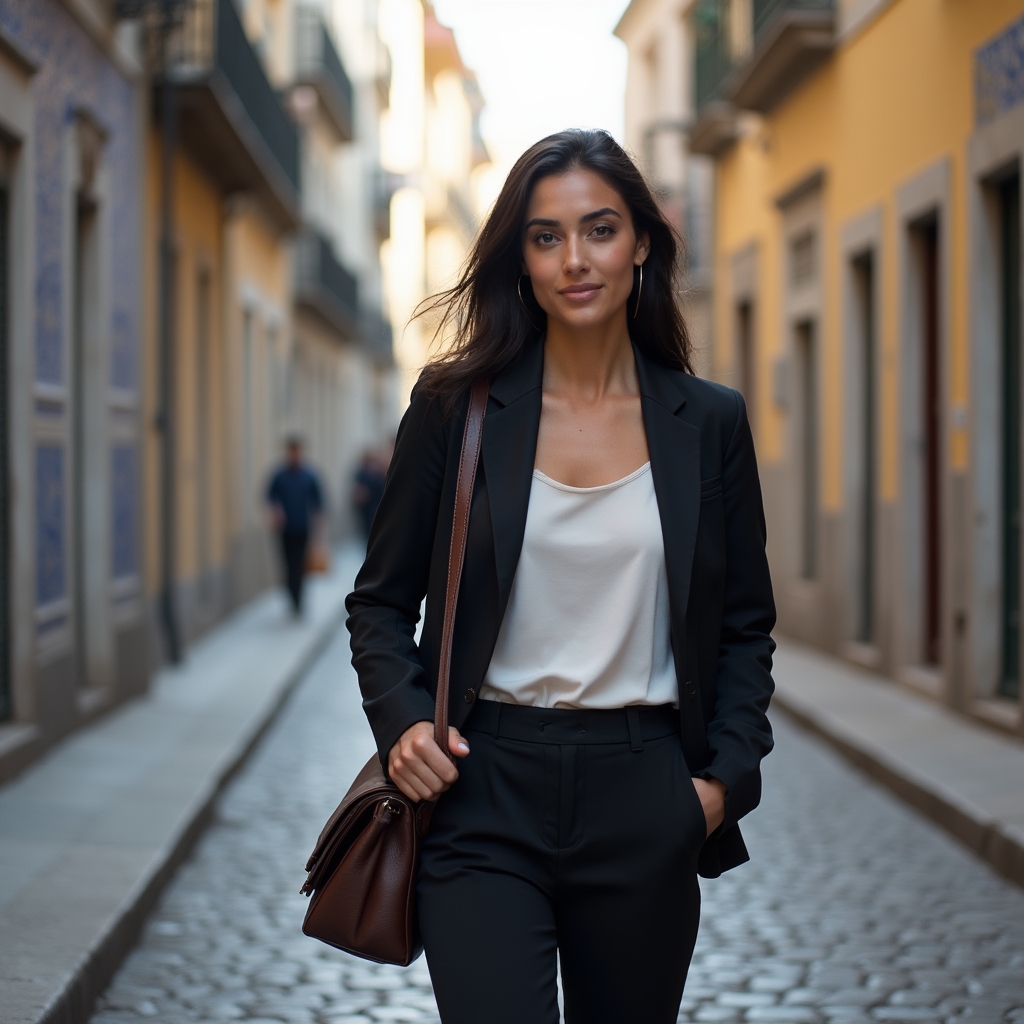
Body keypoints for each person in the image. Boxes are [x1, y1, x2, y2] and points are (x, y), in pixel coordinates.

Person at [346, 130, 775, 1024]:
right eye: (546, 237)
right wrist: (402, 727)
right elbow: (381, 602)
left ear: (642, 242)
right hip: (482, 790)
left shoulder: (710, 423)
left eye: (600, 229)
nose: (575, 259)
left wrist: (718, 786)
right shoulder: (453, 407)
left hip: (645, 790)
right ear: (522, 259)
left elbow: (743, 627)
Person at [266, 437, 323, 616]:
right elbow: (270, 497)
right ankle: (292, 599)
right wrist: (276, 511)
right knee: (288, 565)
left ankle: (299, 601)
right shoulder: (279, 476)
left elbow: (318, 503)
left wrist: (319, 527)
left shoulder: (309, 476)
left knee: (300, 566)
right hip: (285, 530)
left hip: (303, 528)